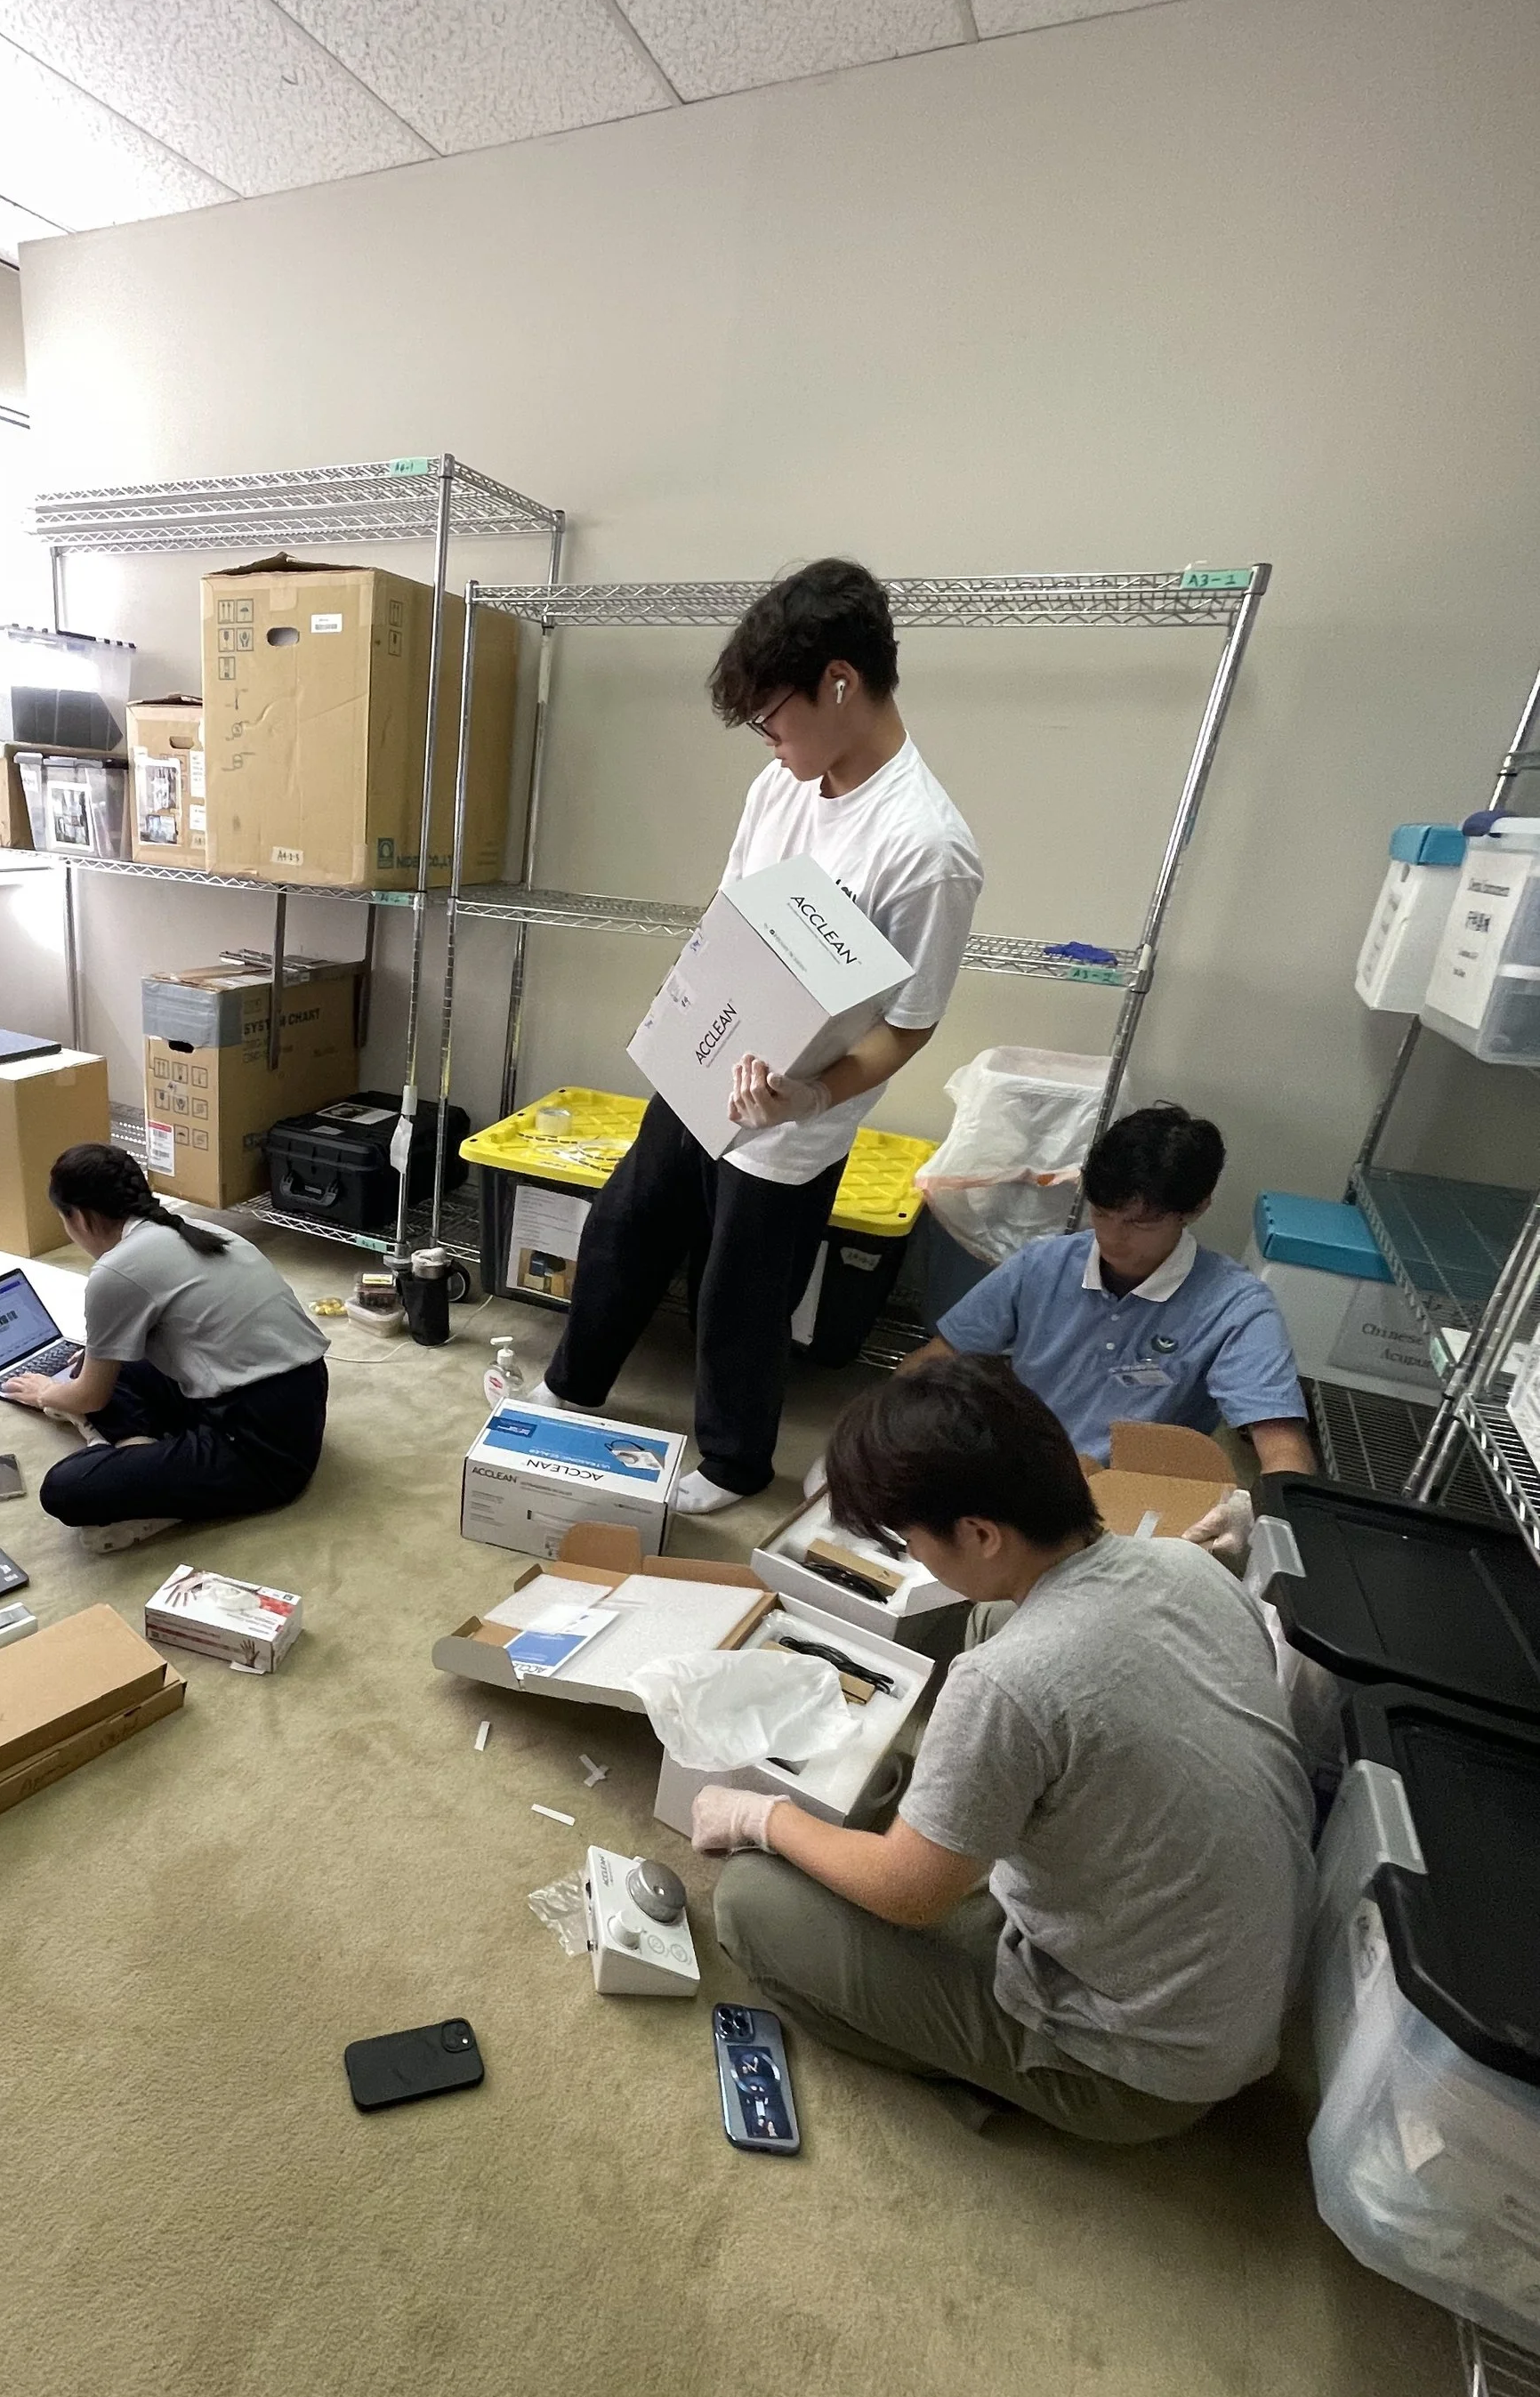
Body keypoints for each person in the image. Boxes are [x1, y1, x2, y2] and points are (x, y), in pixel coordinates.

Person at [697, 1356, 1316, 2142]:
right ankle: (974, 1832)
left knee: (752, 1903)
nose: (912, 1556)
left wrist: (762, 1815)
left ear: (981, 1533)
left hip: (1140, 2065)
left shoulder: (1006, 1686)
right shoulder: (1188, 1564)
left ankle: (1008, 2073)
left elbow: (910, 1896)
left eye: (912, 1538)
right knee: (993, 1629)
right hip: (1231, 1992)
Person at [539, 558, 981, 1518]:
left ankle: (735, 1464)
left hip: (796, 1114)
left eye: (773, 716)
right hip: (706, 1066)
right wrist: (685, 1015)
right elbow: (734, 918)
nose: (769, 742)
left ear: (839, 681)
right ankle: (567, 1388)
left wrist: (810, 1096)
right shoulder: (779, 785)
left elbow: (910, 1022)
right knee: (625, 1227)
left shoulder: (925, 848)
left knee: (738, 1296)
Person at [907, 1102, 1315, 1549]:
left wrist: (1254, 1514)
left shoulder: (1234, 1306)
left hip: (1125, 1509)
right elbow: (933, 1361)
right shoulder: (1043, 1266)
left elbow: (1283, 1450)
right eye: (1101, 1213)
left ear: (1196, 1208)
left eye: (1141, 1223)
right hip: (1012, 1474)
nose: (1113, 1238)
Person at [0, 1142, 330, 1554]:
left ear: (79, 1217)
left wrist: (47, 1392)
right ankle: (145, 1458)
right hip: (300, 1394)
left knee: (66, 1487)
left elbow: (89, 1394)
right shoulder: (198, 1229)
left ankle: (148, 1474)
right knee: (102, 1363)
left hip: (263, 1450)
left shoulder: (115, 1270)